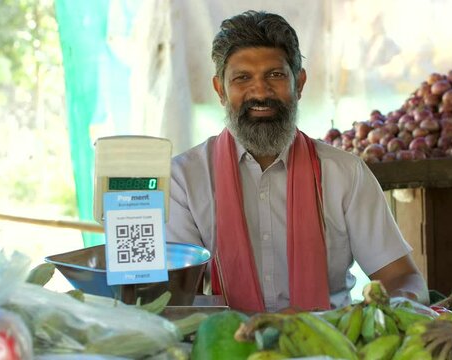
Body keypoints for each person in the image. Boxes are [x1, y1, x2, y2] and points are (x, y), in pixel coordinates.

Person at [166, 10, 428, 313]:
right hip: (230, 346)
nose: (260, 92)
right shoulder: (184, 179)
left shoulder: (344, 173)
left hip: (331, 343)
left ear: (299, 83)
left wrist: (394, 309)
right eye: (242, 78)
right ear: (220, 90)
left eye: (275, 75)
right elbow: (177, 297)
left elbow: (402, 277)